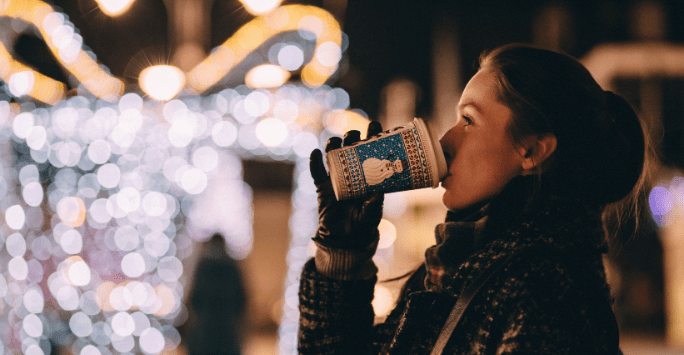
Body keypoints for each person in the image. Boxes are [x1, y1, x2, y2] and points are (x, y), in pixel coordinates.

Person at [298, 43, 649, 354]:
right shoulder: (455, 266)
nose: (447, 140)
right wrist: (343, 252)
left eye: (468, 119)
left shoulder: (543, 290)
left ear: (531, 150)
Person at [184, 233, 247, 355]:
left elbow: (195, 297)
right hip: (224, 326)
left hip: (208, 325)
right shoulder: (230, 266)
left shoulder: (205, 266)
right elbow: (241, 298)